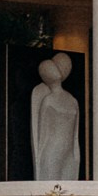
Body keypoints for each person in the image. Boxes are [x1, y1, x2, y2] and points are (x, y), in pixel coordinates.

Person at [30, 52, 81, 180]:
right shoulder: (48, 100)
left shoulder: (73, 100)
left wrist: (76, 154)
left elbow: (75, 134)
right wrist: (39, 159)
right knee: (51, 194)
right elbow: (42, 134)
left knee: (68, 193)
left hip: (68, 152)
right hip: (52, 150)